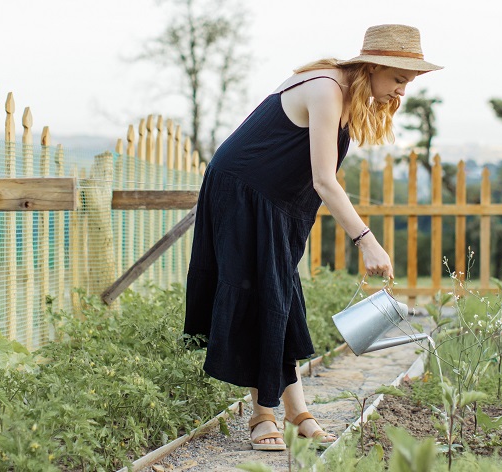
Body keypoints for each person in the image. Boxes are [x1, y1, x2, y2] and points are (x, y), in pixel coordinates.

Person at [184, 24, 442, 451]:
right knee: (261, 296)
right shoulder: (326, 88)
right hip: (244, 190)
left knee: (279, 298)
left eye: (407, 84)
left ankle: (297, 412)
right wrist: (366, 240)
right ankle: (263, 415)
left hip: (277, 202)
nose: (401, 93)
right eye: (398, 80)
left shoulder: (344, 94)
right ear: (374, 66)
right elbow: (324, 180)